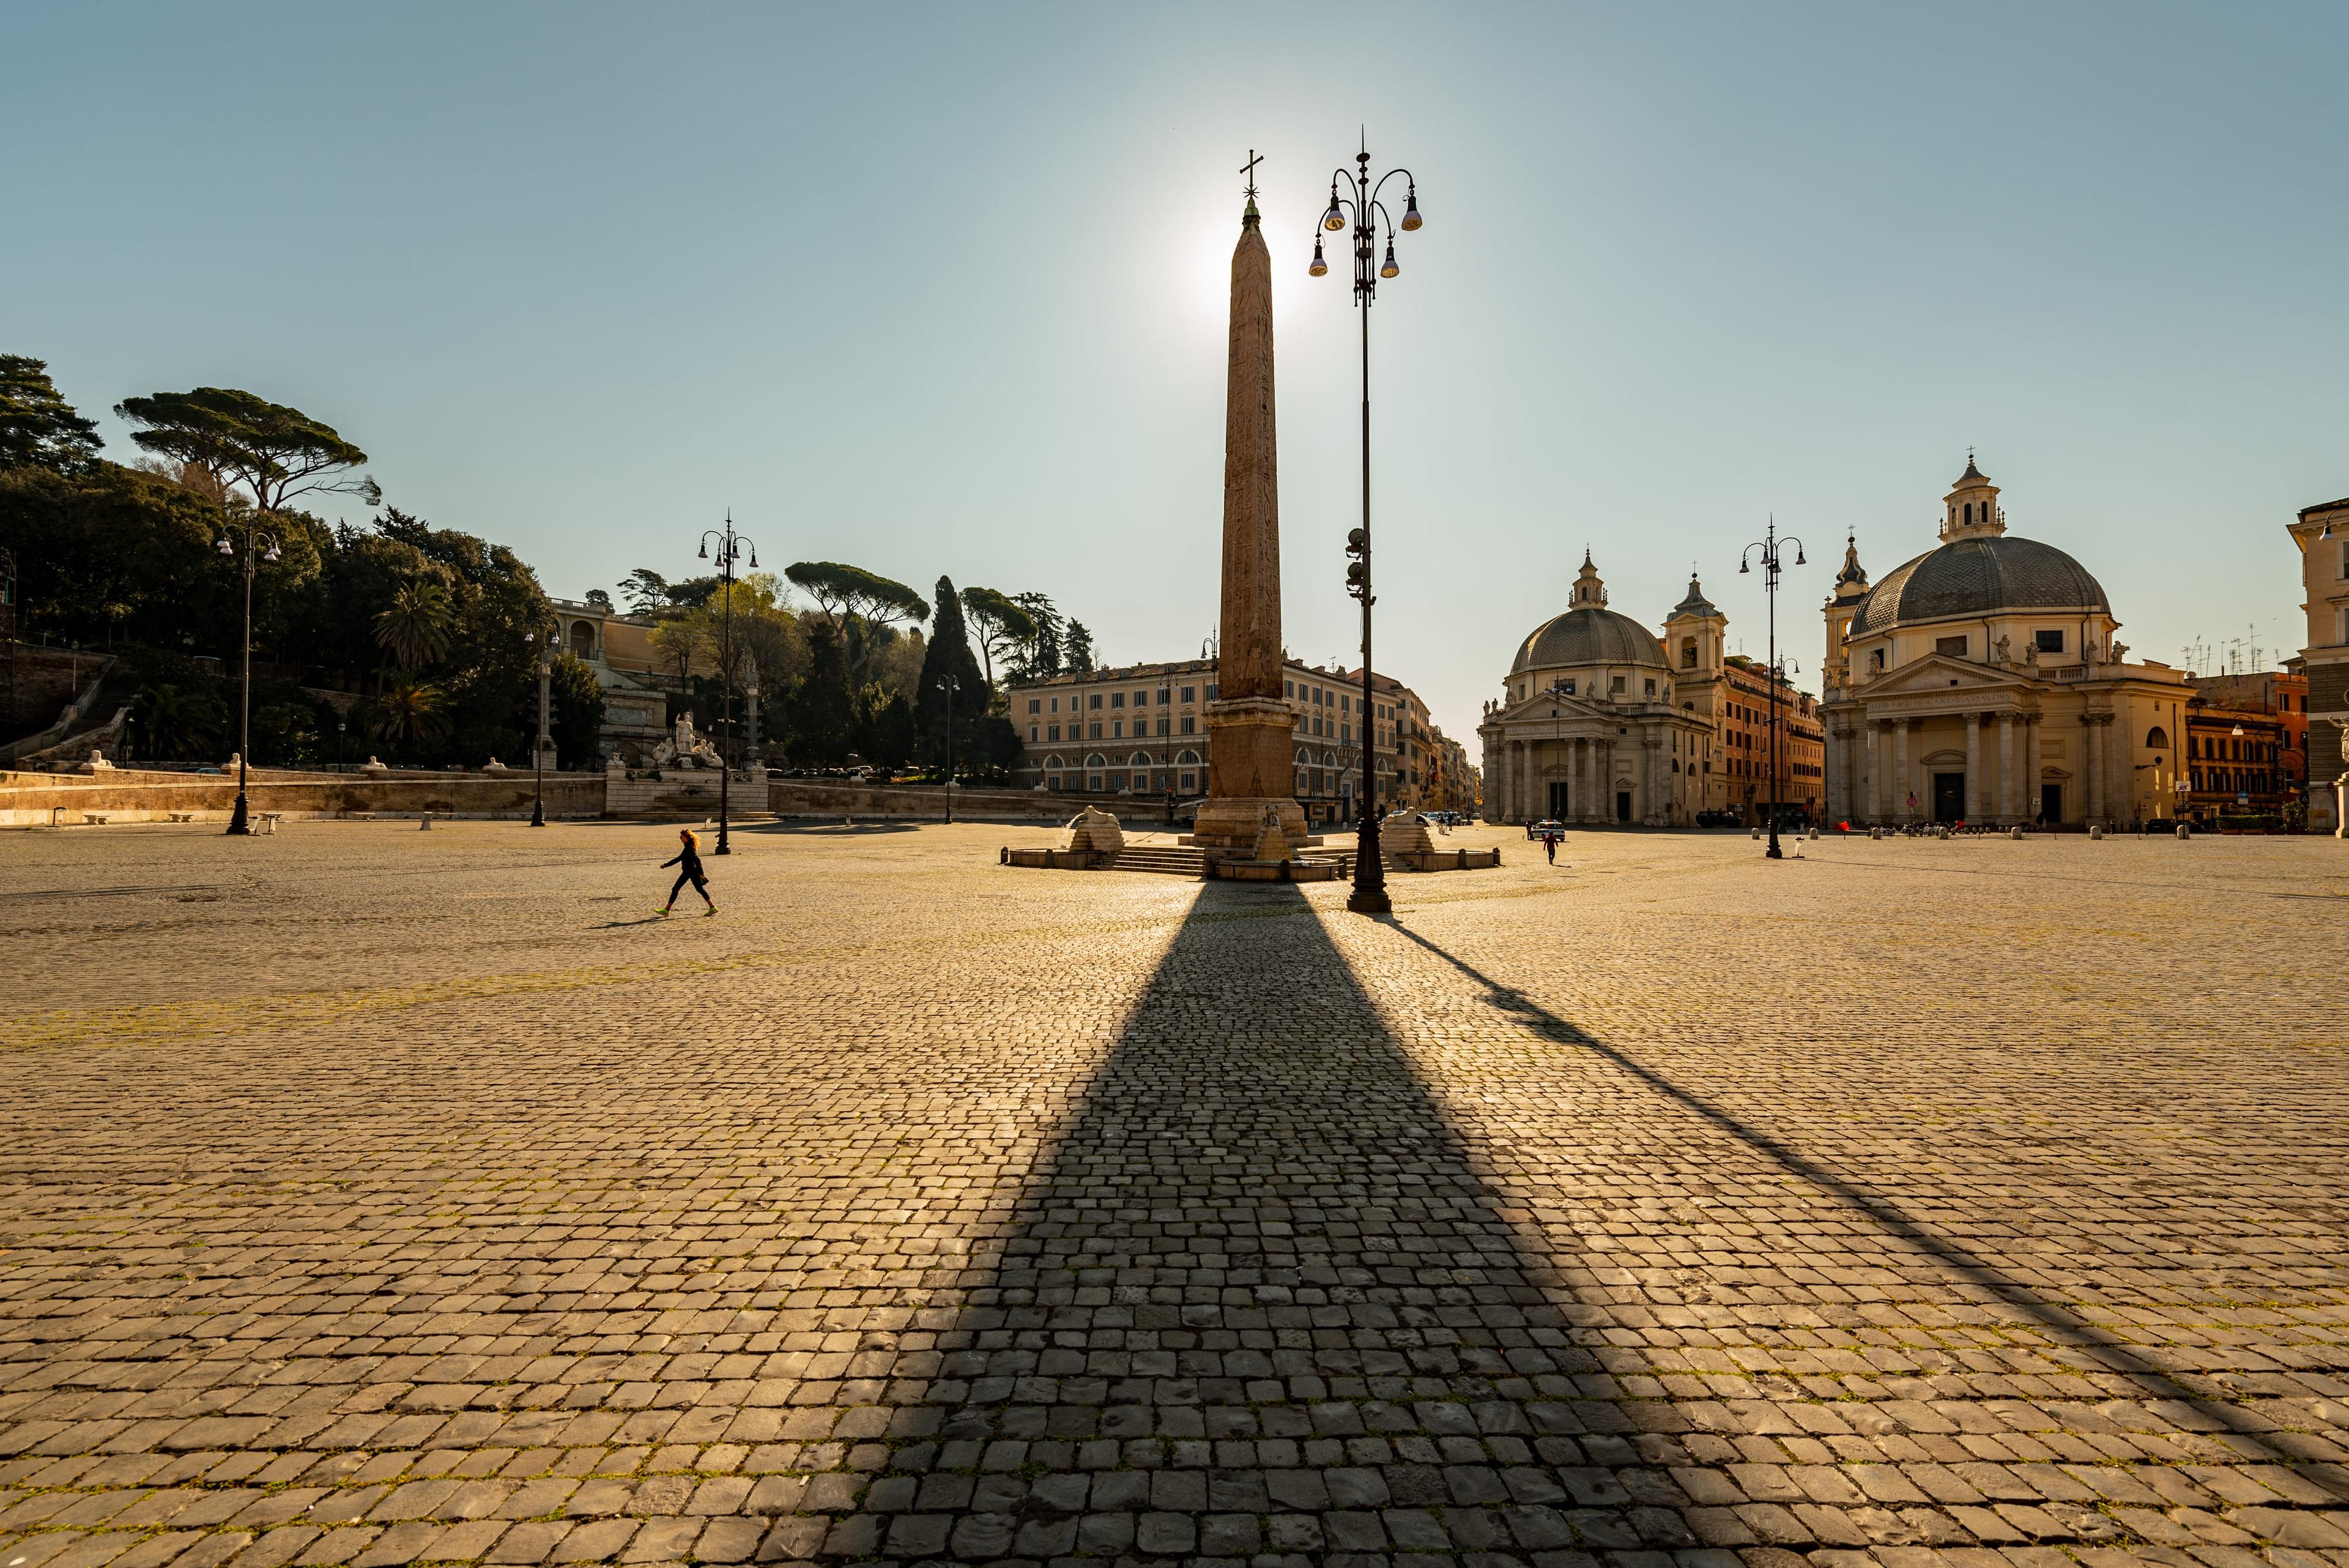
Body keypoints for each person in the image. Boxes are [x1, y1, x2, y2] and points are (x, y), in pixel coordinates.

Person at [658, 828, 717, 916]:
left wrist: (701, 873)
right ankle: (712, 908)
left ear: (687, 838)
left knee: (676, 889)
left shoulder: (689, 848)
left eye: (682, 837)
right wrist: (666, 865)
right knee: (700, 889)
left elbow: (697, 860)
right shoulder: (688, 847)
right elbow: (680, 858)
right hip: (690, 871)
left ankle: (666, 910)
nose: (680, 838)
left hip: (690, 872)